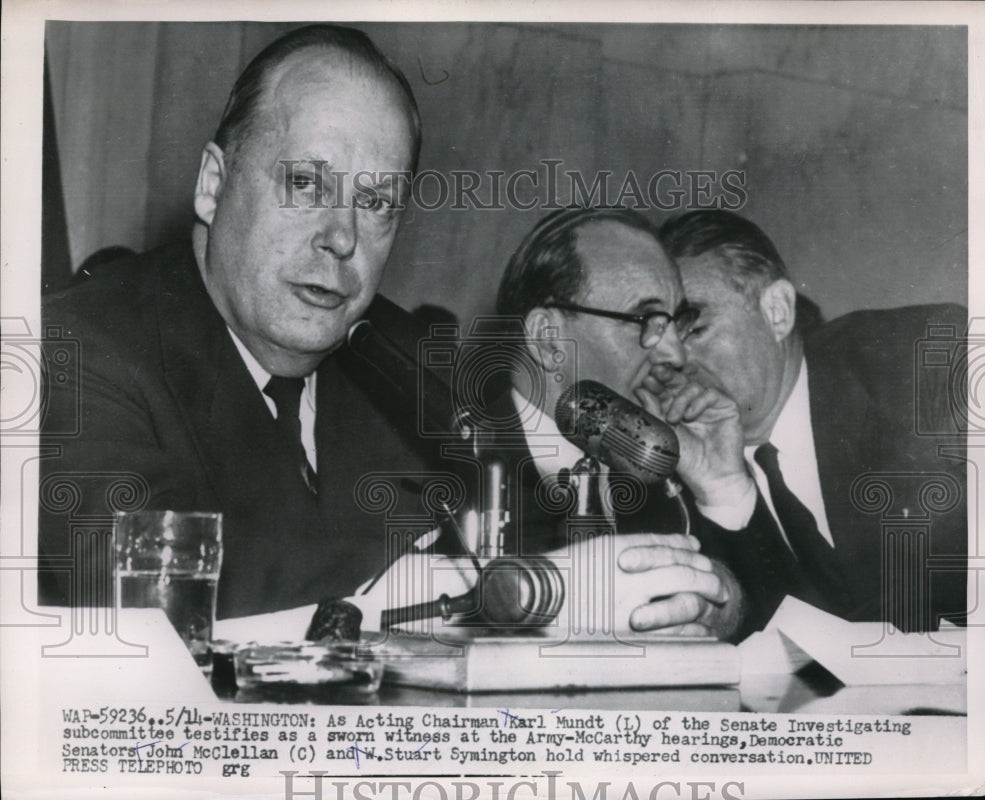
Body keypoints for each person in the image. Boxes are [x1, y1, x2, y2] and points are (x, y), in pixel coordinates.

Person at [38, 25, 436, 619]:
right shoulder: (76, 348)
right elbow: (161, 593)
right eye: (306, 184)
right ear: (213, 185)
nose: (342, 238)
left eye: (376, 203)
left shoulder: (408, 364)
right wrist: (448, 583)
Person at [657, 209, 967, 632]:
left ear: (778, 311)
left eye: (693, 330)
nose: (671, 361)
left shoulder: (924, 367)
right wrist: (726, 492)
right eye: (655, 342)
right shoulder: (667, 475)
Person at [476, 206, 752, 640]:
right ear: (550, 340)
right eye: (646, 321)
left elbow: (775, 638)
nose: (677, 357)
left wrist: (721, 487)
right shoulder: (438, 462)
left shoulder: (657, 470)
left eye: (677, 322)